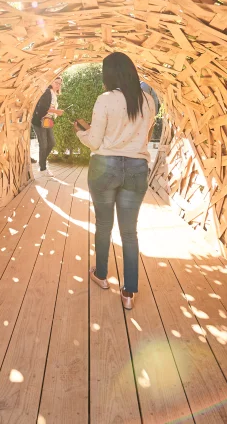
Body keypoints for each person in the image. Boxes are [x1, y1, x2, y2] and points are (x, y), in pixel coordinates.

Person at [74, 53, 155, 310]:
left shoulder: (106, 100)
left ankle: (101, 275)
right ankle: (129, 292)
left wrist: (80, 132)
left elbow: (95, 141)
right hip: (136, 169)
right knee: (129, 232)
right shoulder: (149, 100)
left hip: (104, 168)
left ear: (109, 75)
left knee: (104, 224)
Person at [31, 77, 63, 176]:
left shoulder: (54, 93)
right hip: (39, 121)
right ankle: (43, 168)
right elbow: (42, 108)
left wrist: (55, 112)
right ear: (51, 82)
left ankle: (42, 162)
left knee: (52, 143)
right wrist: (56, 111)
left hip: (47, 121)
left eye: (59, 83)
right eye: (56, 82)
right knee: (43, 144)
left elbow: (49, 108)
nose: (58, 85)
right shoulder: (47, 92)